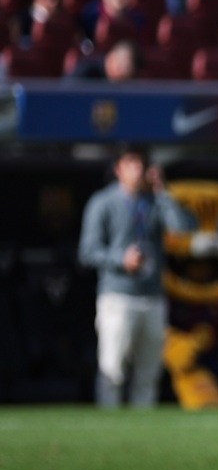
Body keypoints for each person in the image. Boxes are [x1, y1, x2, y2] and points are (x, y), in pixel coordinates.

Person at [78, 145, 184, 407]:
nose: (138, 171)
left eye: (142, 165)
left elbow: (181, 229)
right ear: (118, 169)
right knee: (112, 370)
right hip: (118, 296)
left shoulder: (154, 202)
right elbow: (87, 251)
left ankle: (142, 434)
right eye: (131, 164)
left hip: (153, 297)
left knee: (149, 373)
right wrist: (120, 260)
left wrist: (162, 192)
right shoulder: (103, 202)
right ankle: (108, 430)